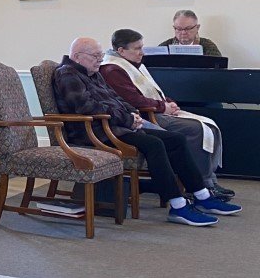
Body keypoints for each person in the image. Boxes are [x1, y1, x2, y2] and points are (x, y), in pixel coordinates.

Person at [53, 38, 239, 225]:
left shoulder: (92, 73)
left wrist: (133, 114)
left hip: (115, 127)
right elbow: (87, 108)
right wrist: (127, 118)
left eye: (101, 55)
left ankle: (202, 195)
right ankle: (178, 205)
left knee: (176, 139)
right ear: (77, 56)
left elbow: (116, 98)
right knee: (155, 144)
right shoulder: (67, 74)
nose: (100, 59)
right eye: (95, 56)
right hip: (94, 133)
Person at [100, 29, 232, 199]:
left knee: (209, 125)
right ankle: (200, 186)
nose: (142, 52)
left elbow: (154, 91)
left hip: (155, 110)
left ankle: (209, 180)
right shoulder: (113, 69)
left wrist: (169, 102)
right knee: (196, 129)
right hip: (146, 116)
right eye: (137, 48)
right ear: (121, 51)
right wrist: (162, 107)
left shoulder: (132, 64)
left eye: (142, 47)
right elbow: (133, 100)